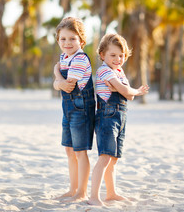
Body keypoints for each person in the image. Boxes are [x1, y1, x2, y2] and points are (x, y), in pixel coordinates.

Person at [87, 33, 149, 206]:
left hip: (121, 116)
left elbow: (129, 97)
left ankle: (112, 193)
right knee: (105, 157)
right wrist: (134, 90)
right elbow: (128, 91)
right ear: (102, 55)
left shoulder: (119, 72)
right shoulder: (104, 70)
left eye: (121, 55)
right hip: (107, 116)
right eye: (113, 55)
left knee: (113, 158)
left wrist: (125, 91)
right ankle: (94, 196)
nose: (118, 59)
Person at [53, 17, 95, 202]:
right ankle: (72, 189)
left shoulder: (79, 59)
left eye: (72, 39)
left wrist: (56, 76)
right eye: (63, 39)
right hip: (68, 110)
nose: (67, 43)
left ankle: (82, 192)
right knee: (69, 150)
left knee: (80, 151)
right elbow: (58, 86)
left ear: (81, 42)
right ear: (58, 41)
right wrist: (58, 83)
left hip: (81, 110)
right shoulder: (64, 57)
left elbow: (67, 86)